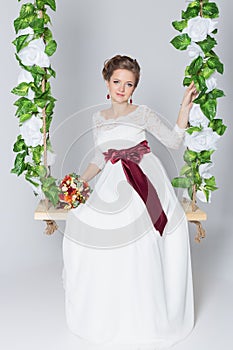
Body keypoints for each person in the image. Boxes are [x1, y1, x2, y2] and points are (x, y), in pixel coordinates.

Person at [62, 55, 198, 349]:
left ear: (135, 88)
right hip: (113, 181)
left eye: (129, 84)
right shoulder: (98, 118)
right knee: (95, 227)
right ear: (107, 82)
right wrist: (78, 183)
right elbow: (100, 156)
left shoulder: (143, 113)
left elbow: (174, 141)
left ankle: (144, 316)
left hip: (144, 179)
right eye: (117, 82)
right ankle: (110, 313)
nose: (122, 88)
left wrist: (184, 107)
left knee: (138, 237)